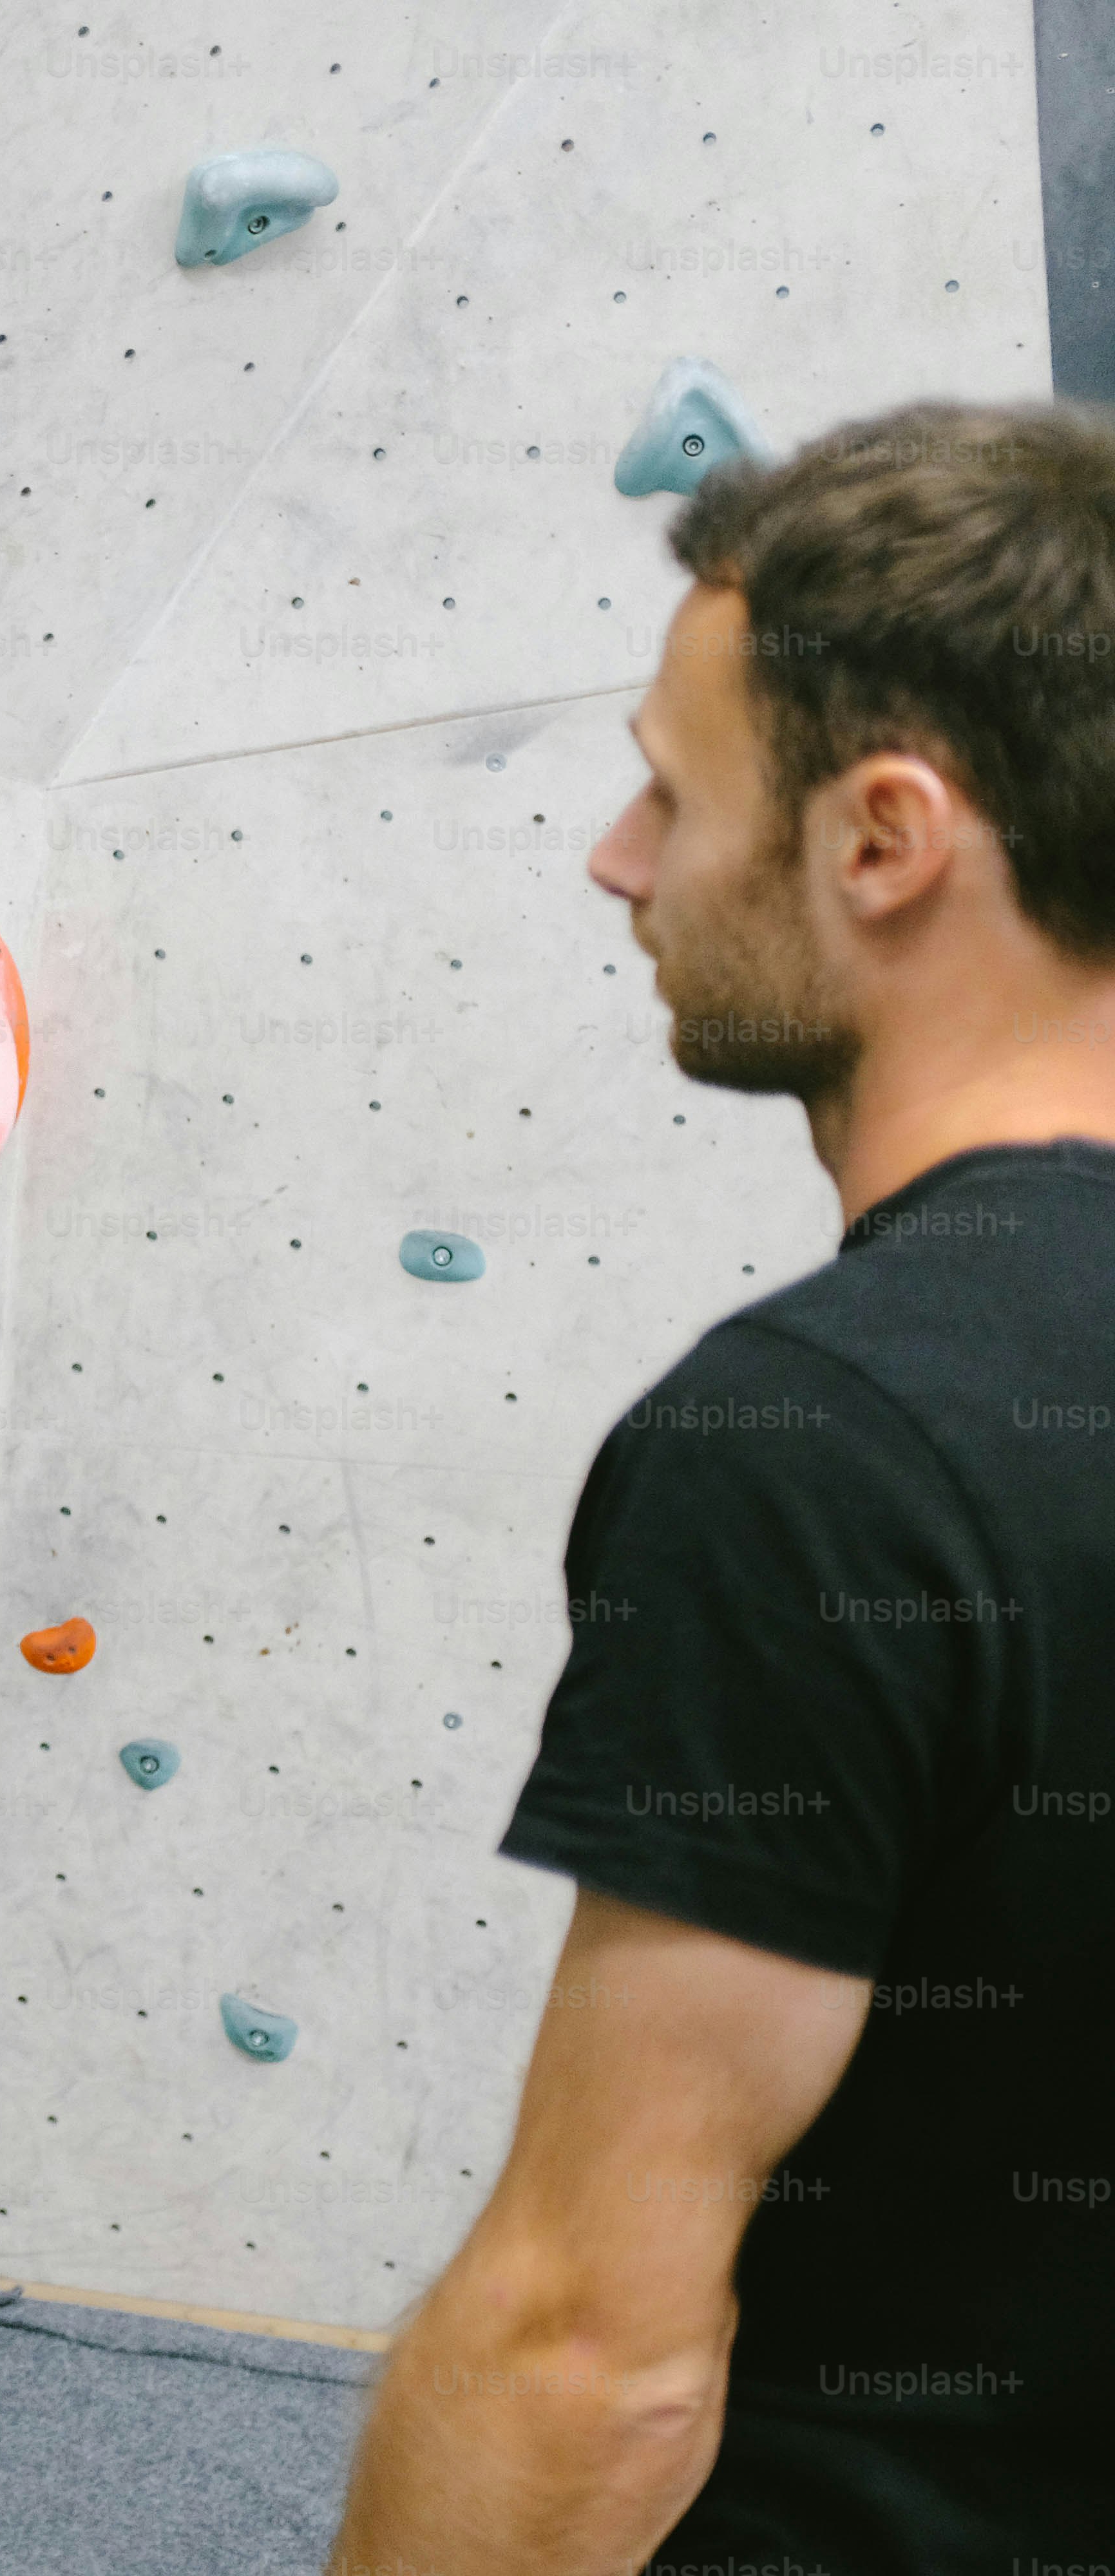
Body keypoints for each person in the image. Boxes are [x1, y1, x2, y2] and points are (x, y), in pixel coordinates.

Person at [328, 401, 1115, 2570]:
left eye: (675, 790)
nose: (616, 855)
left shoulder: (826, 1449)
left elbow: (595, 2355)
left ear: (884, 838)